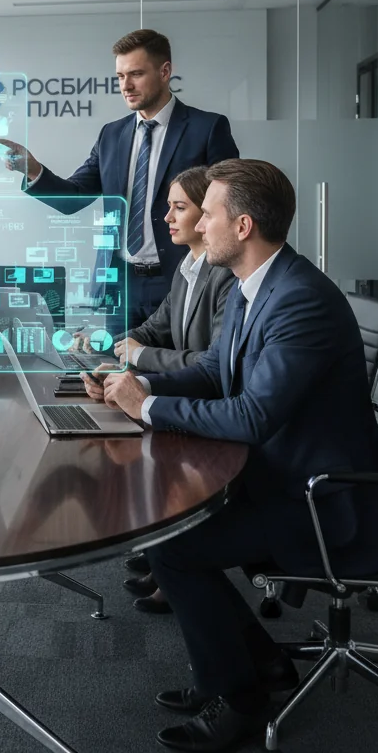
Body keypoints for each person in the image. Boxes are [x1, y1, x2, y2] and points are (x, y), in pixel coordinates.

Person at [86, 159, 378, 752]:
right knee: (169, 534)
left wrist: (146, 410)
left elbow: (253, 414)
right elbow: (209, 370)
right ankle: (264, 666)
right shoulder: (260, 286)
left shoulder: (297, 299)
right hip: (282, 477)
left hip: (325, 500)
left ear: (243, 226)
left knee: (174, 545)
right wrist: (136, 387)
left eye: (211, 213)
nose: (200, 225)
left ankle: (241, 699)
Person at [0, 29, 238, 329]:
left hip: (183, 275)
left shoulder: (207, 128)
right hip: (121, 284)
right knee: (116, 373)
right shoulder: (111, 135)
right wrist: (33, 170)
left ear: (165, 72)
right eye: (120, 76)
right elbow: (76, 197)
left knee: (176, 368)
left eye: (136, 74)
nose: (126, 85)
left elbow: (229, 204)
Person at [114, 165, 234, 615]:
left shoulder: (225, 277)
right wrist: (112, 352)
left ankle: (172, 558)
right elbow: (156, 328)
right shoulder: (187, 266)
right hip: (192, 393)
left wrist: (139, 359)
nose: (166, 217)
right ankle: (163, 553)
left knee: (140, 445)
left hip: (211, 405)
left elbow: (212, 365)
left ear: (208, 214)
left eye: (179, 207)